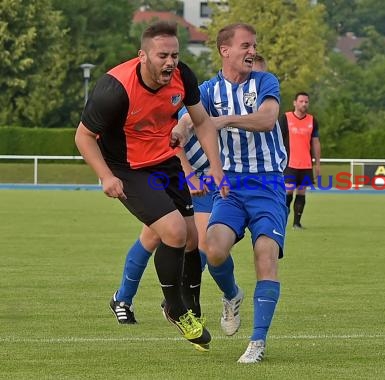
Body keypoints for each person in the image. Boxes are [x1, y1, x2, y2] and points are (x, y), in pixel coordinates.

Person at [74, 21, 228, 352]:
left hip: (165, 161)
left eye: (174, 54)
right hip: (126, 168)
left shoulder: (182, 76)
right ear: (142, 55)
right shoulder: (115, 89)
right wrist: (106, 176)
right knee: (173, 231)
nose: (170, 62)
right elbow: (83, 136)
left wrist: (215, 168)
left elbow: (201, 121)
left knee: (191, 239)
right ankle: (175, 308)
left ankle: (185, 304)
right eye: (162, 55)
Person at [109, 58, 272, 327]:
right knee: (153, 237)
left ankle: (179, 296)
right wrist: (189, 173)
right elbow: (175, 134)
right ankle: (123, 298)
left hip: (209, 182)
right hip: (179, 175)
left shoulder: (251, 111)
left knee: (201, 242)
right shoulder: (210, 97)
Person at [203, 23, 287, 364]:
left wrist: (224, 121)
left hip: (267, 183)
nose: (252, 51)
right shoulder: (208, 90)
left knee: (265, 254)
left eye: (254, 45)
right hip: (232, 186)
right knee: (214, 250)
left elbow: (267, 120)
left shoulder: (265, 82)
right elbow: (186, 119)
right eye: (245, 45)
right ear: (226, 51)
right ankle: (231, 294)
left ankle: (257, 342)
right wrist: (178, 132)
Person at [279, 92, 321, 229]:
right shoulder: (285, 118)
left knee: (302, 192)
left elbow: (315, 142)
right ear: (295, 103)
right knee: (288, 191)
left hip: (306, 164)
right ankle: (282, 219)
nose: (304, 104)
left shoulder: (312, 120)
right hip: (289, 163)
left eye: (306, 102)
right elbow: (278, 140)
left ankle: (297, 223)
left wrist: (317, 163)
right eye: (301, 101)